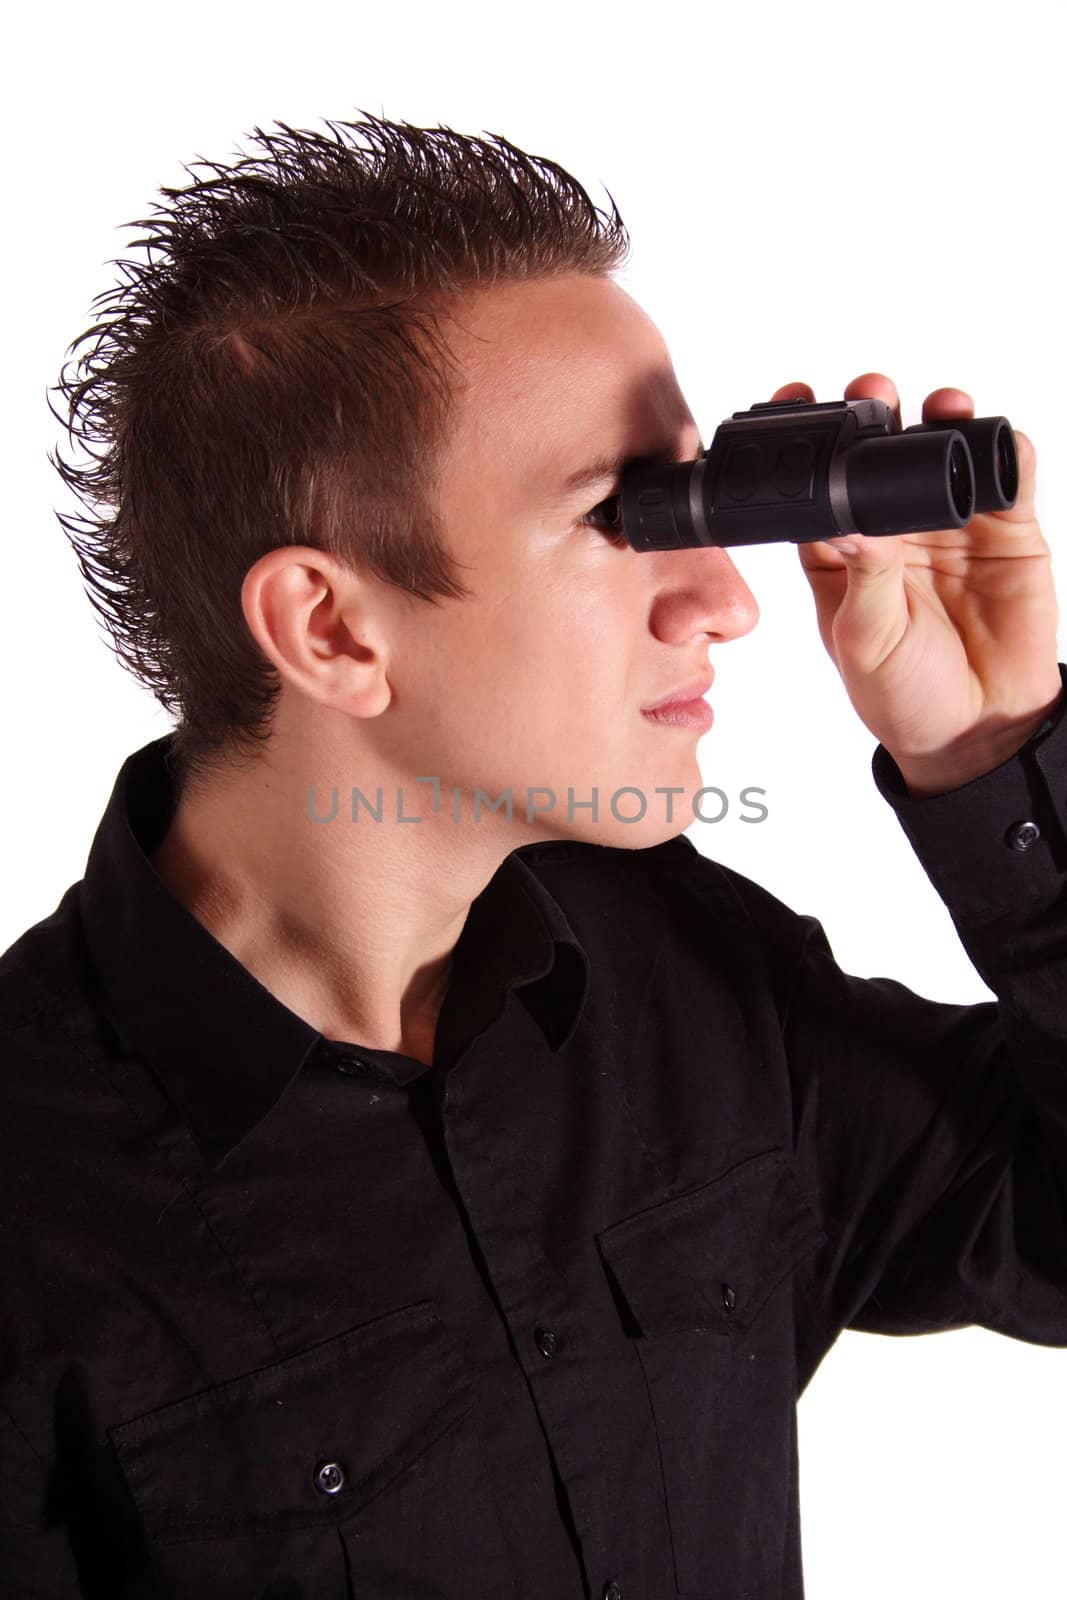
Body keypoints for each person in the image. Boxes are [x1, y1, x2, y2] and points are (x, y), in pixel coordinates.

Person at [1, 109, 1064, 1600]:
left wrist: (991, 757)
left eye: (696, 493)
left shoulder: (691, 981)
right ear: (332, 628)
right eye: (623, 517)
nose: (729, 599)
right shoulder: (35, 1198)